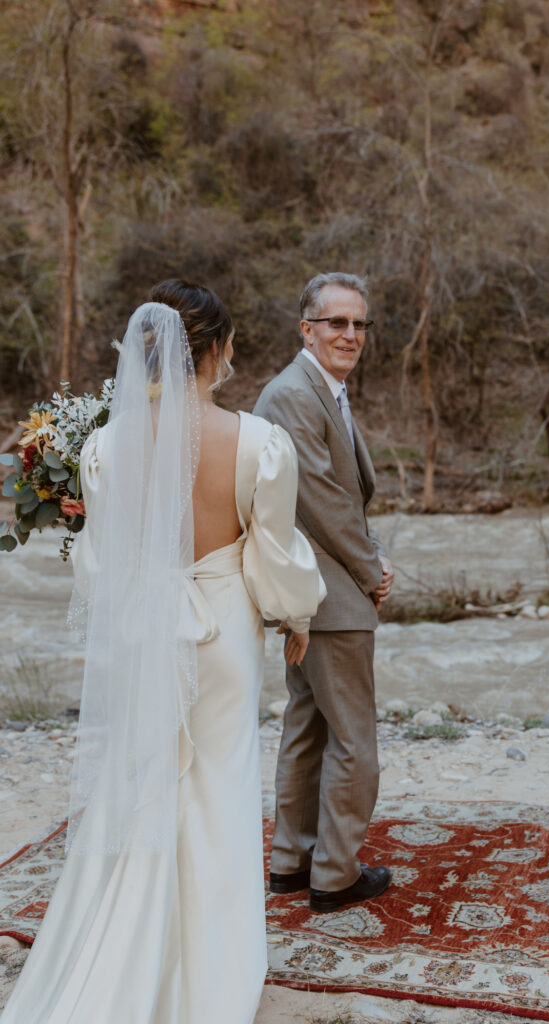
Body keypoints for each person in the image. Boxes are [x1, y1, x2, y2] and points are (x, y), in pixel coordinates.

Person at [1, 280, 325, 1023]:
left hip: (146, 630)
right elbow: (272, 556)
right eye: (231, 342)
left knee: (143, 782)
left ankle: (124, 943)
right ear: (212, 350)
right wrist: (294, 617)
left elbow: (99, 564)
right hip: (220, 634)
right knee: (220, 790)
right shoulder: (257, 443)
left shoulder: (107, 446)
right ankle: (213, 972)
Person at [253, 271, 394, 914]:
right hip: (327, 593)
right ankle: (334, 874)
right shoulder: (291, 394)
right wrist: (372, 570)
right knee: (354, 739)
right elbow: (321, 501)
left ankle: (292, 861)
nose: (351, 334)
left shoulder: (325, 389)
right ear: (306, 328)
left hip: (317, 592)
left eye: (359, 323)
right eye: (336, 322)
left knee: (308, 727)